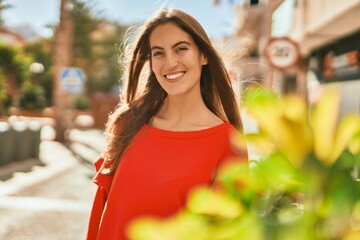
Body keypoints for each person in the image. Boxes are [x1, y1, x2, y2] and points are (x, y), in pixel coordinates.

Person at [86, 8, 248, 240]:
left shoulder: (230, 144)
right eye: (158, 53)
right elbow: (99, 215)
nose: (169, 62)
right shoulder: (128, 122)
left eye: (181, 49)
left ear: (203, 55)